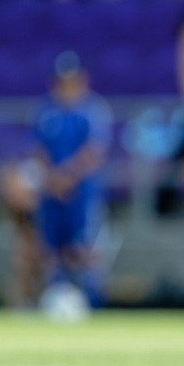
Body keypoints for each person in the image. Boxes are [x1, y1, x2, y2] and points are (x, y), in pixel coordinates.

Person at [33, 51, 112, 308]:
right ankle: (55, 298)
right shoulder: (46, 111)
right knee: (51, 248)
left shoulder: (93, 110)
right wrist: (53, 179)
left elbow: (95, 151)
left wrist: (67, 176)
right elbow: (38, 150)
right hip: (52, 192)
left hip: (83, 192)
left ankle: (91, 299)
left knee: (84, 248)